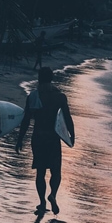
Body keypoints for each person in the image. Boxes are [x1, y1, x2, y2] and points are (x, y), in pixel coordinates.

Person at [16, 68, 75, 215]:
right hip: (53, 138)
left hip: (38, 137)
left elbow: (26, 120)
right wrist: (71, 135)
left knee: (40, 172)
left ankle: (42, 202)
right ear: (51, 79)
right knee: (56, 172)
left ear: (39, 78)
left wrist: (20, 139)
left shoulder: (34, 96)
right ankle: (53, 195)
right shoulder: (59, 96)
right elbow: (67, 118)